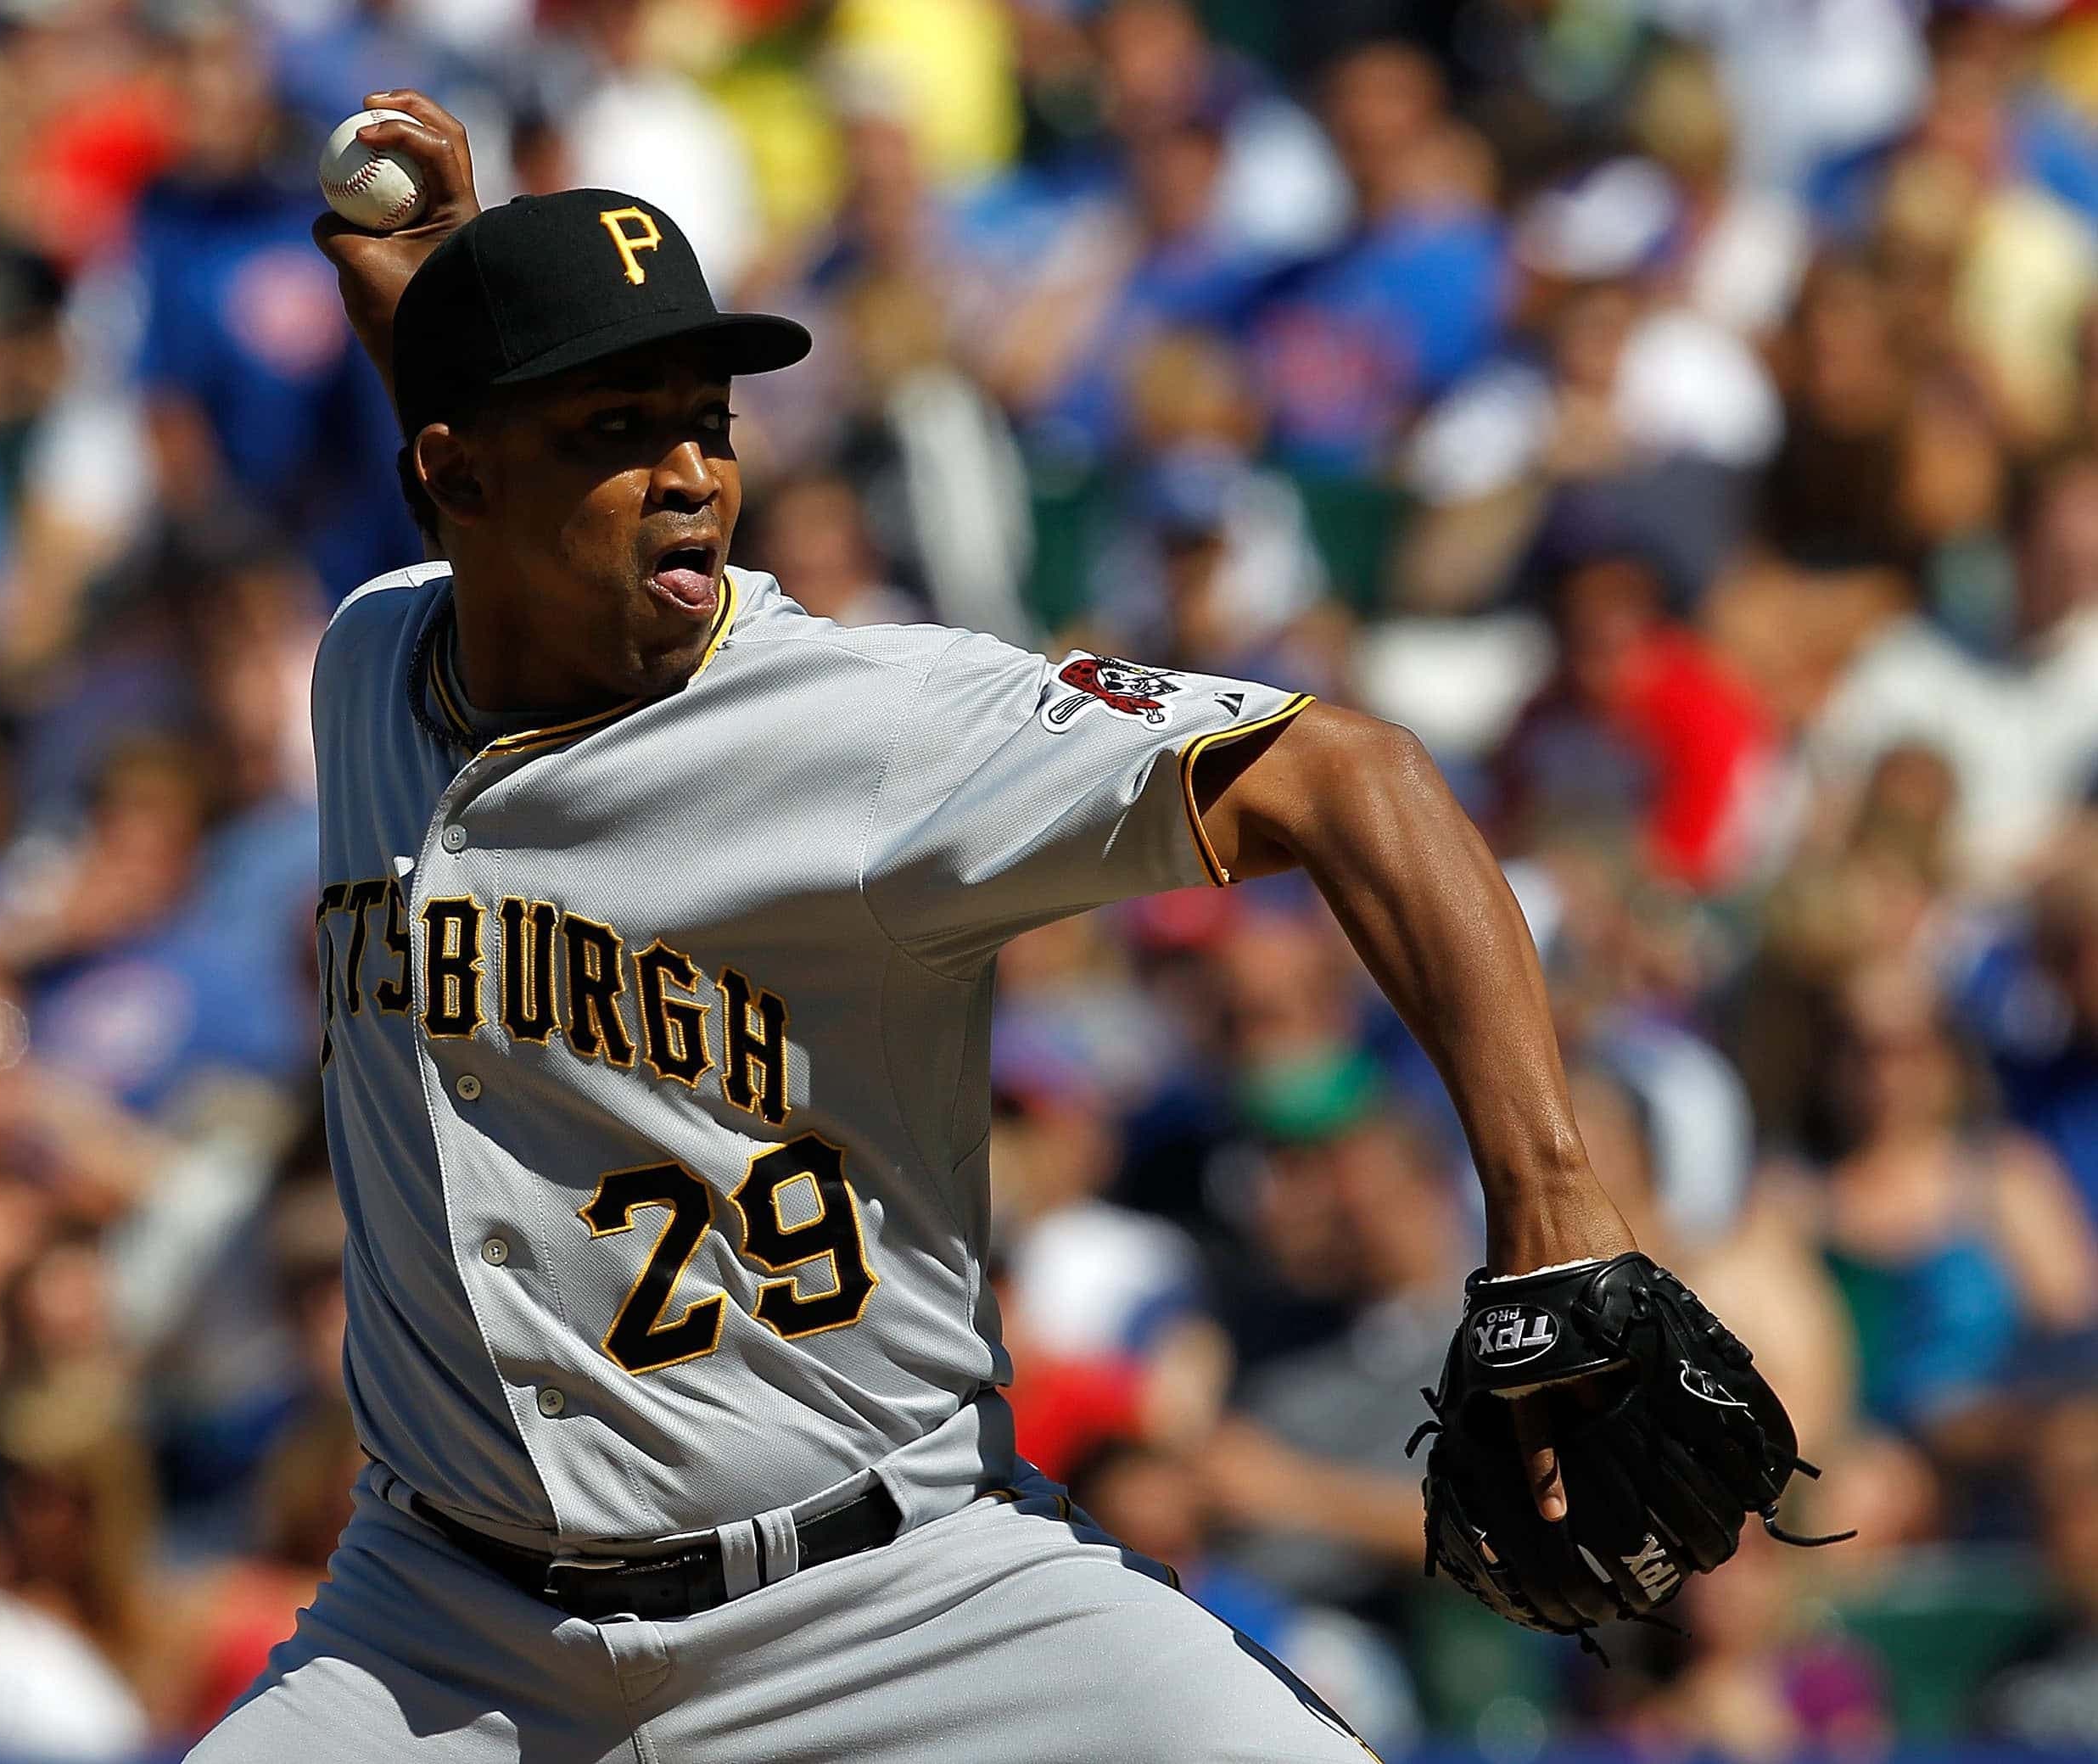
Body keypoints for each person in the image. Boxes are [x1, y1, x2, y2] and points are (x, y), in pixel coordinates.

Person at [192, 91, 1643, 1764]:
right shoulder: (366, 662)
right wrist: (446, 295)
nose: (690, 475)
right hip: (444, 1634)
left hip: (903, 1597)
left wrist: (1552, 1208)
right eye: (621, 425)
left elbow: (1357, 777)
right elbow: (480, 500)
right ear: (450, 466)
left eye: (709, 420)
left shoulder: (870, 724)